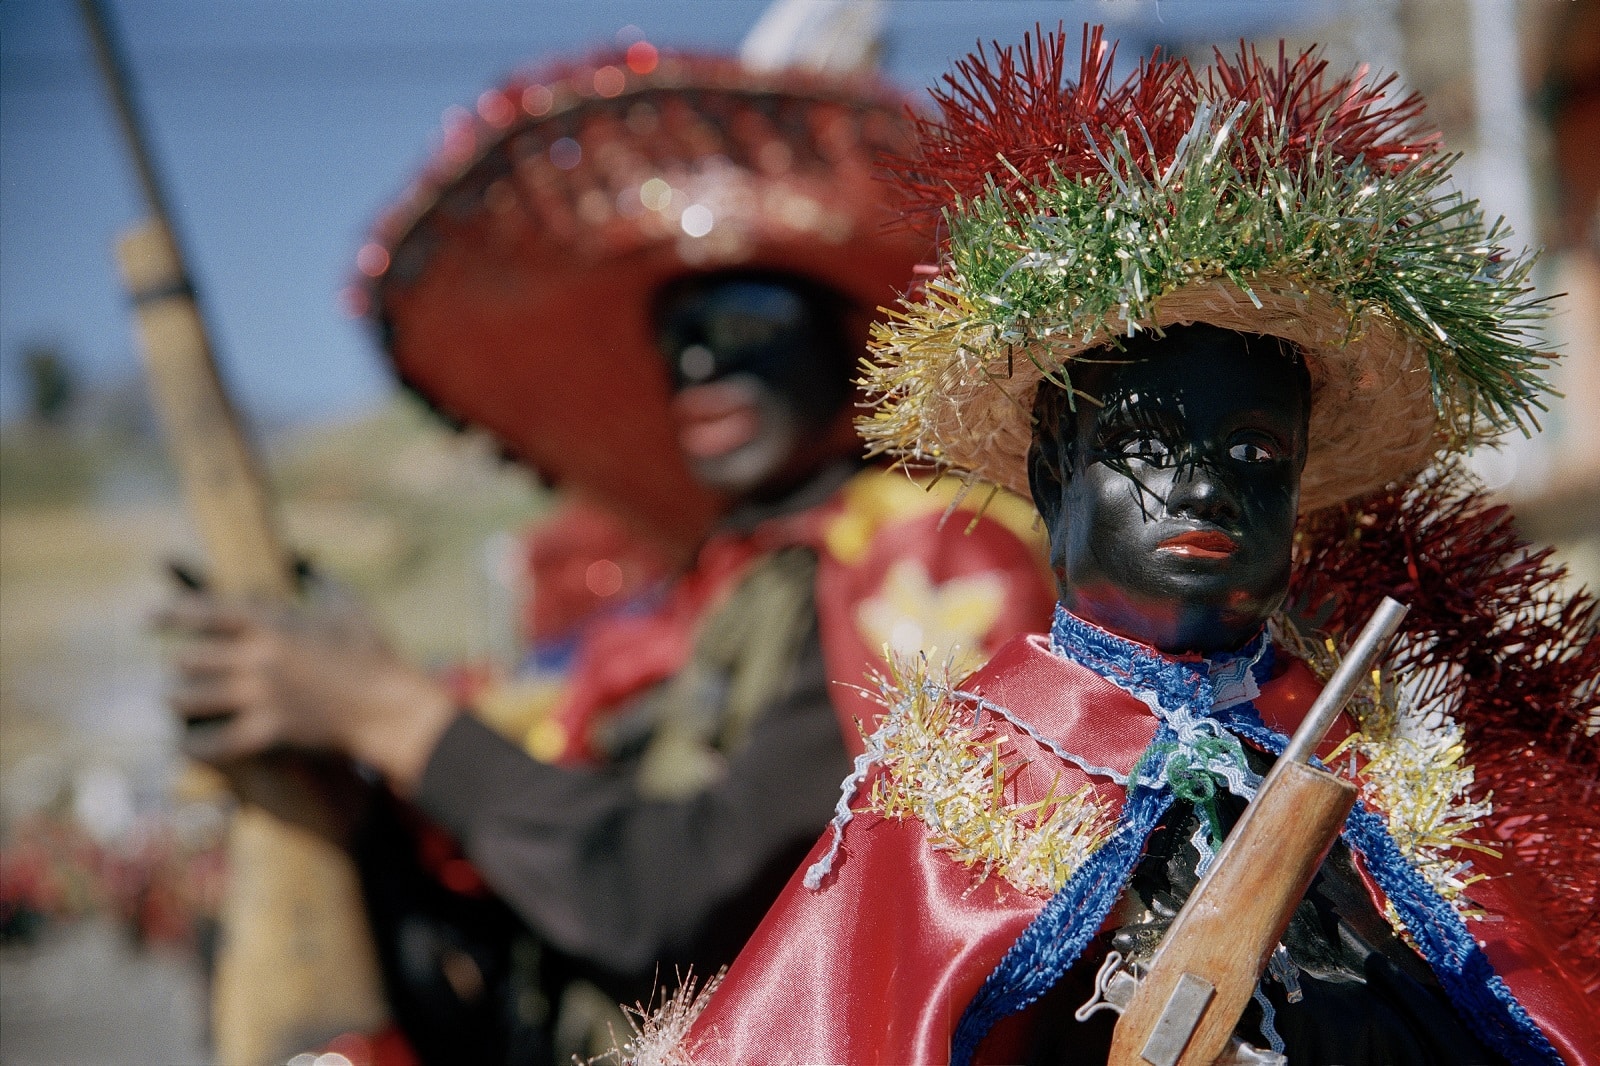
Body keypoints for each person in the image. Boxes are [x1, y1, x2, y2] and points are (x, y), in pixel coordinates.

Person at [634, 28, 1599, 1065]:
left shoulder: (1381, 770)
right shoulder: (962, 787)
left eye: (1253, 451)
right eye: (1142, 442)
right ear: (1055, 476)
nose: (1201, 483)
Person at [162, 47, 1056, 1065]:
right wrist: (351, 791)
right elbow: (555, 931)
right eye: (675, 336)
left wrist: (387, 711)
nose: (700, 362)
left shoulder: (924, 562)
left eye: (744, 321)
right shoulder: (691, 603)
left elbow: (665, 904)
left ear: (861, 341)